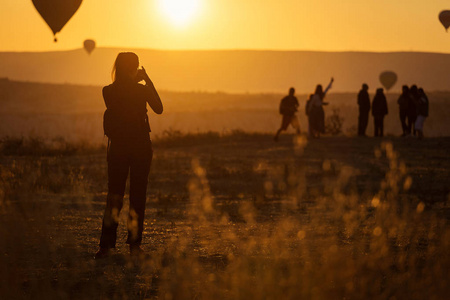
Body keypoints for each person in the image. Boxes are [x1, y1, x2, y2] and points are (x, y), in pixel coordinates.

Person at [95, 52, 163, 259]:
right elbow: (159, 109)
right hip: (141, 147)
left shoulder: (108, 91)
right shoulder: (141, 90)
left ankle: (106, 246)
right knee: (137, 196)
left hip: (118, 149)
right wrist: (147, 79)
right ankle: (134, 245)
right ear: (134, 68)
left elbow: (118, 100)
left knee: (114, 196)